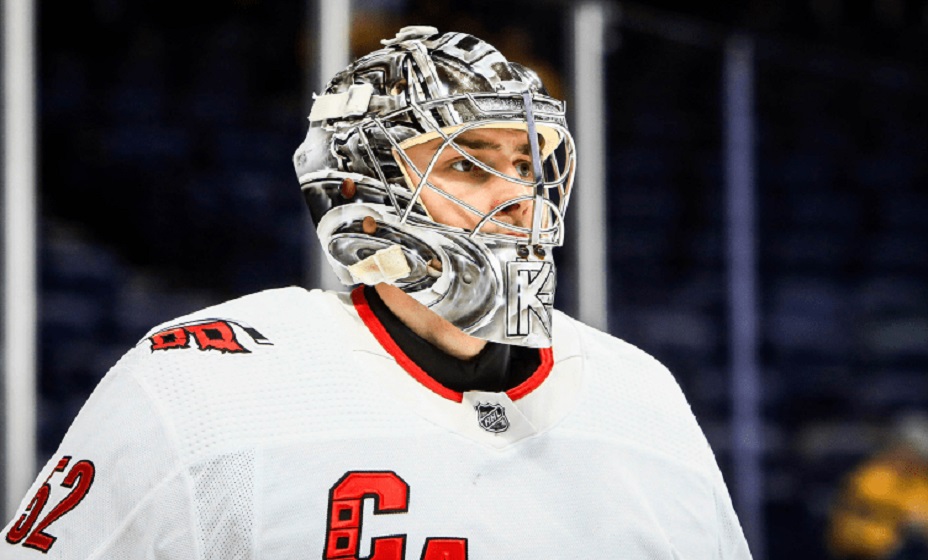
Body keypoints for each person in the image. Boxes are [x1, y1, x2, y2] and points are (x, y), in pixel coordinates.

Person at [3, 26, 751, 559]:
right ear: (359, 192)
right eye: (467, 165)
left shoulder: (642, 396)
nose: (518, 198)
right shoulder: (205, 386)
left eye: (527, 165)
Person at [827, 413, 928, 560]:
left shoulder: (921, 482)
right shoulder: (873, 474)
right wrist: (906, 514)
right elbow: (869, 498)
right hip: (861, 550)